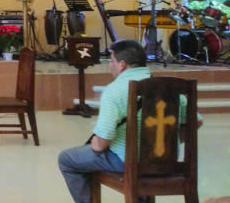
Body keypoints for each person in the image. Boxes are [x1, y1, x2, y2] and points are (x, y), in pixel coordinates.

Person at [58, 40, 203, 203]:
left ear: (122, 65)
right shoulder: (170, 87)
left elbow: (102, 143)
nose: (110, 65)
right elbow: (196, 122)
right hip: (168, 163)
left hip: (127, 162)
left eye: (111, 61)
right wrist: (169, 146)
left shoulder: (114, 90)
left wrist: (95, 144)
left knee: (67, 159)